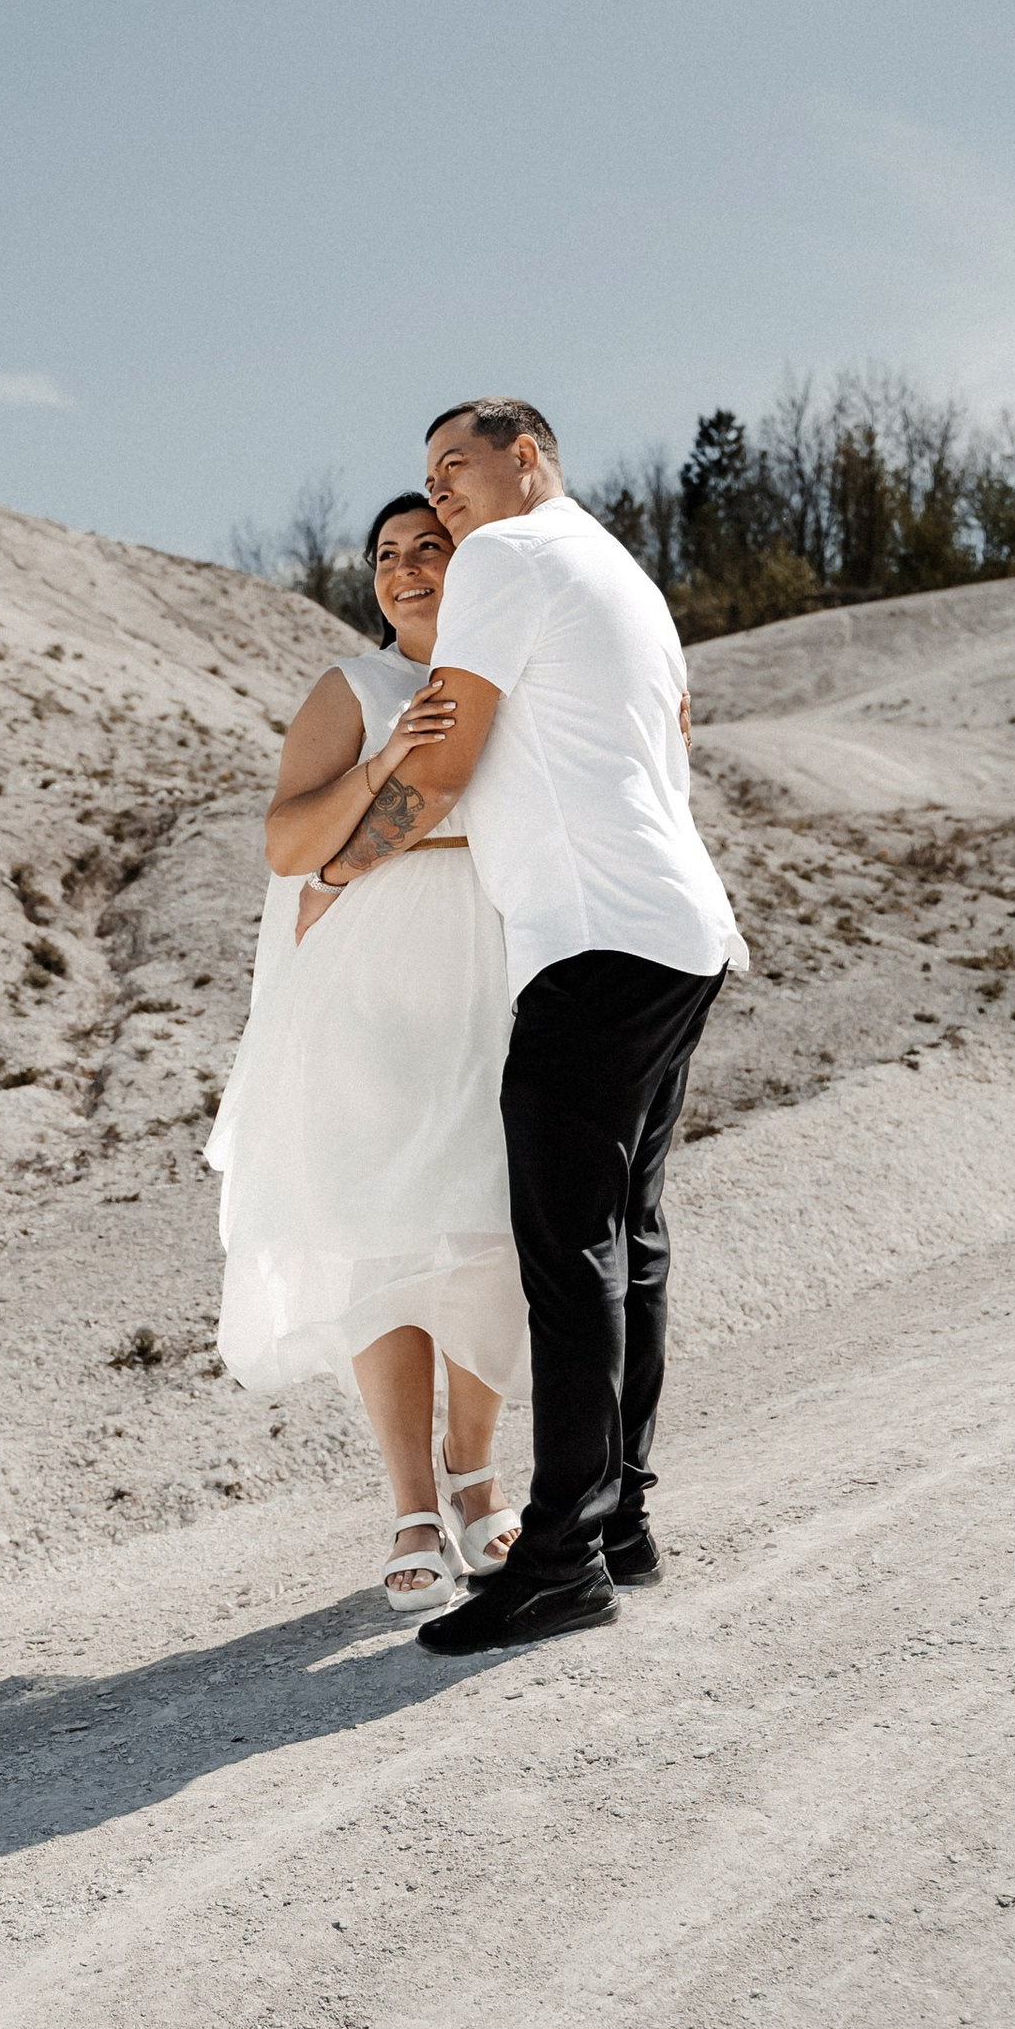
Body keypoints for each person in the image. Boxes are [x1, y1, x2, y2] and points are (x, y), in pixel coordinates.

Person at [304, 399, 747, 1653]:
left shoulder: (506, 554)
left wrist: (335, 871)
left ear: (528, 458)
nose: (441, 490)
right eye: (427, 474)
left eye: (458, 464)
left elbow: (444, 759)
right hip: (680, 928)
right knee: (629, 1240)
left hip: (593, 937)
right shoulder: (625, 576)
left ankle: (559, 1561)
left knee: (568, 1251)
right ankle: (620, 1523)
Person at [206, 493, 527, 1612]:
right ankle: (411, 1505)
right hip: (363, 990)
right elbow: (287, 842)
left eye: (428, 547)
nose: (404, 568)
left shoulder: (510, 674)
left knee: (489, 1228)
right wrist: (386, 755)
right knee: (380, 1237)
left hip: (487, 972)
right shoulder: (350, 689)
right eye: (386, 554)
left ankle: (477, 1471)